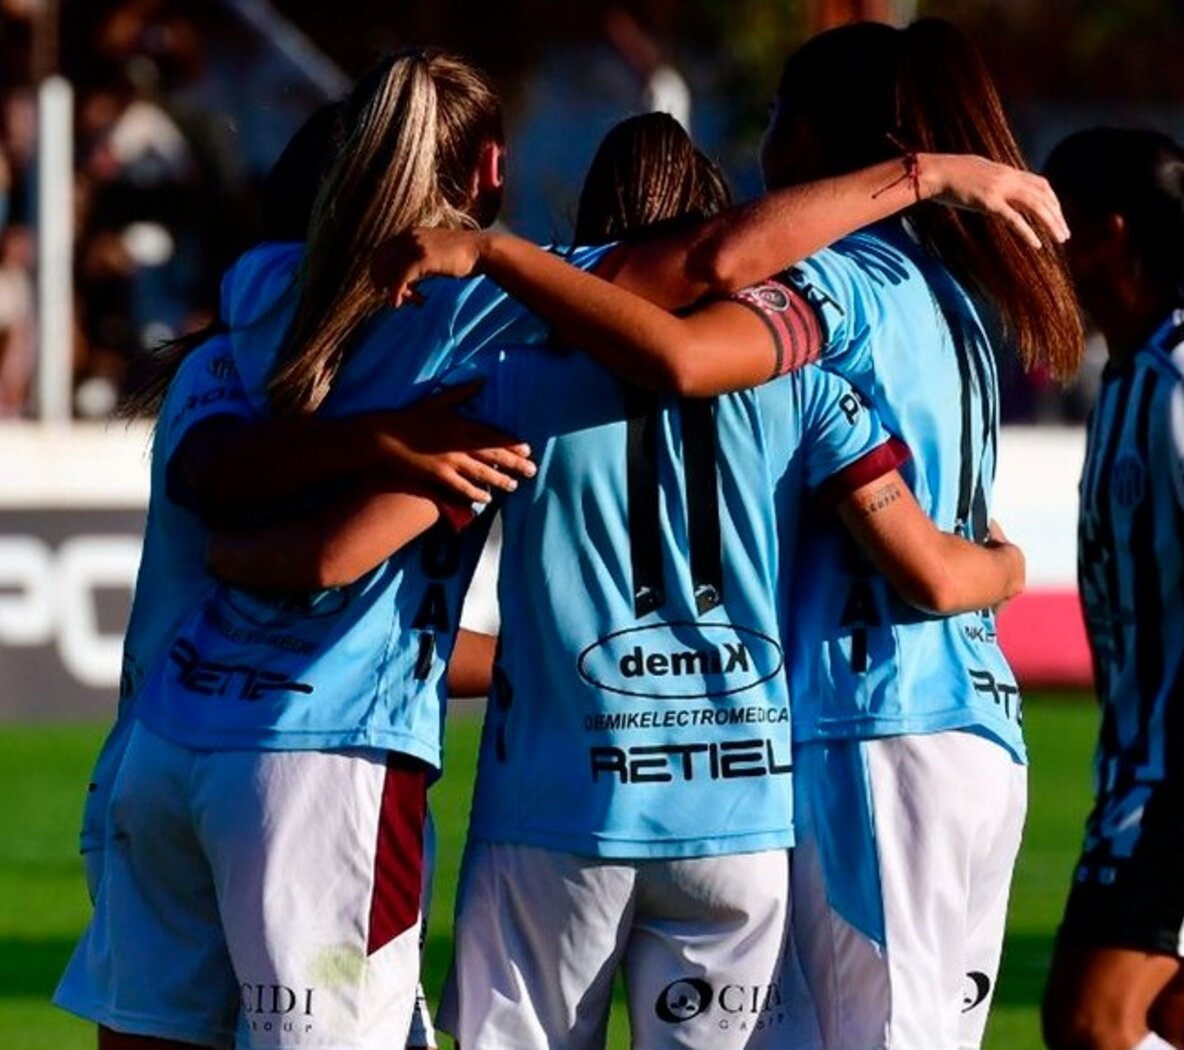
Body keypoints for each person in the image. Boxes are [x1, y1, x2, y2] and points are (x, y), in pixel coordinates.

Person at [374, 21, 1083, 1050]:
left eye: (775, 120)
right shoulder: (953, 299)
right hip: (949, 731)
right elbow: (938, 552)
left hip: (863, 726)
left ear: (804, 141)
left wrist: (494, 256)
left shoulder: (832, 287)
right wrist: (1009, 566)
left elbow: (687, 341)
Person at [53, 79, 532, 1050]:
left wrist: (542, 666)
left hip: (169, 748)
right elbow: (281, 531)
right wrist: (383, 441)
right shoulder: (369, 361)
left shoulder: (288, 343)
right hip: (303, 758)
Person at [1040, 128, 1184, 1050]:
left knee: (1091, 1019)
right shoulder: (1130, 378)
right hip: (1145, 763)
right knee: (1176, 1012)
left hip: (1182, 777)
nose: (1034, 239)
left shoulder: (1181, 377)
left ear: (1106, 232)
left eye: (1050, 217)